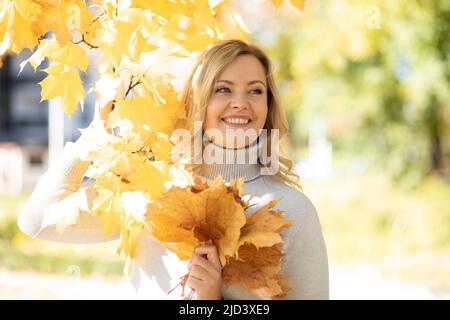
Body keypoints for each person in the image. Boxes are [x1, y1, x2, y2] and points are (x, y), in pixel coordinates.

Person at [17, 39, 329, 300]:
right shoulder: (151, 190)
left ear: (269, 104)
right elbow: (38, 220)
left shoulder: (292, 210)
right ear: (198, 100)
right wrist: (97, 133)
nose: (240, 102)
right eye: (223, 89)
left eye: (255, 90)